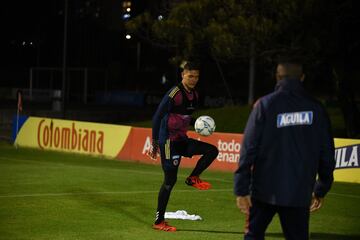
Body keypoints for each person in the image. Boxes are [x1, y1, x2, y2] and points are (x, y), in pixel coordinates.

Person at [234, 59, 335, 240]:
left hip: (263, 191)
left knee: (253, 236)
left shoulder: (264, 105)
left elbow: (248, 149)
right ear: (302, 78)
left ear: (277, 77)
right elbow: (327, 154)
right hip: (298, 193)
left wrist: (241, 189)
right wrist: (320, 189)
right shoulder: (317, 109)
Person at [149, 61, 219, 232]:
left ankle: (193, 178)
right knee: (169, 181)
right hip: (168, 143)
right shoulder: (174, 93)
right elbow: (157, 118)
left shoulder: (194, 95)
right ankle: (159, 222)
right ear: (183, 75)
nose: (194, 79)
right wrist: (155, 142)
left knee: (212, 150)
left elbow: (184, 117)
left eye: (196, 76)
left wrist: (200, 124)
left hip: (182, 140)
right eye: (190, 76)